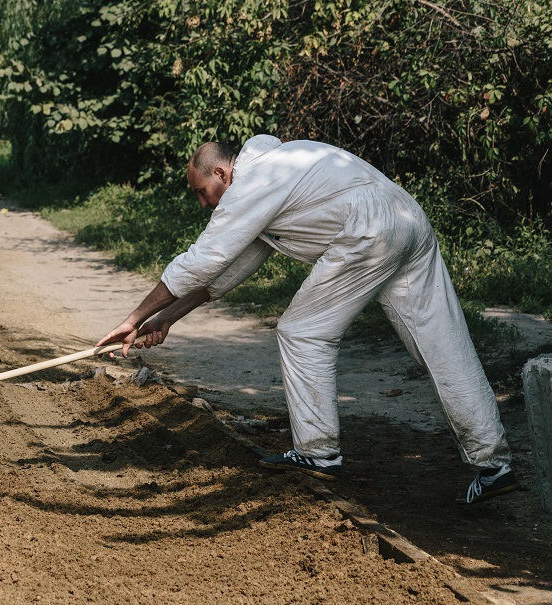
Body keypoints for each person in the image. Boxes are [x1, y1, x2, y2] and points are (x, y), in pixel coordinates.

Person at [97, 135, 519, 505]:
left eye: (203, 191)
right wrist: (165, 319)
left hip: (369, 229)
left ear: (223, 173)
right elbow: (227, 270)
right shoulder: (279, 171)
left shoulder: (254, 183)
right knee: (445, 346)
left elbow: (204, 260)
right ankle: (495, 464)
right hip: (408, 219)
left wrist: (133, 317)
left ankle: (318, 451)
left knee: (302, 332)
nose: (203, 202)